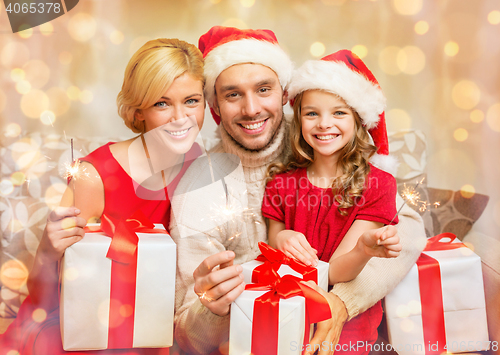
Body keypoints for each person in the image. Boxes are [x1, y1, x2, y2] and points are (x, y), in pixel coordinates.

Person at [170, 26, 426, 355]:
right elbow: (188, 335)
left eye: (264, 89)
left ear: (283, 92)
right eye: (233, 94)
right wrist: (211, 307)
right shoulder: (199, 188)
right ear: (215, 105)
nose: (251, 109)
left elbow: (408, 227)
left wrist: (342, 302)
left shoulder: (323, 139)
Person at [0, 38, 205, 355]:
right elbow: (41, 295)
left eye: (191, 101)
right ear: (139, 112)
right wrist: (46, 251)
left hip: (146, 327)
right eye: (162, 104)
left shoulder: (197, 164)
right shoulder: (96, 177)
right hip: (76, 329)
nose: (181, 118)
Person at [262, 50, 402, 354]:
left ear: (358, 120)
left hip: (346, 328)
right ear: (299, 120)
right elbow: (274, 243)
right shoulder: (281, 182)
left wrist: (365, 250)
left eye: (339, 113)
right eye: (312, 113)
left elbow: (335, 272)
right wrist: (283, 236)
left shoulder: (377, 184)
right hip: (285, 313)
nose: (324, 124)